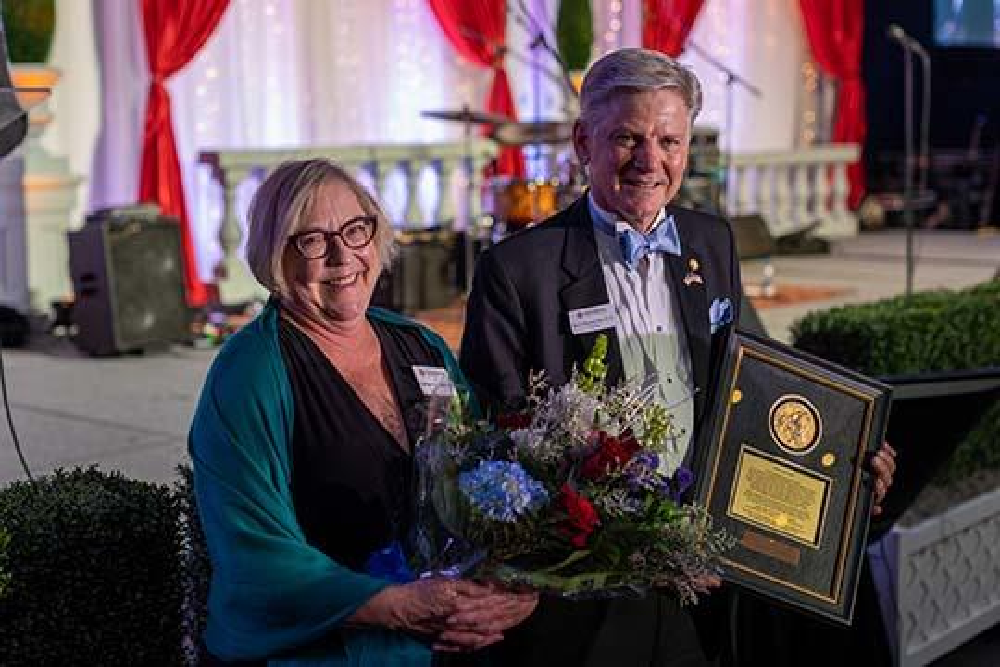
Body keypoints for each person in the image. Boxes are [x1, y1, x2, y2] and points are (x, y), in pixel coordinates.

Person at [460, 48, 896, 666]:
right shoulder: (516, 270)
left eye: (669, 140)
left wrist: (846, 457)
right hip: (593, 593)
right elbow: (505, 436)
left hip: (705, 582)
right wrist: (631, 541)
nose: (650, 161)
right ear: (584, 142)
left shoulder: (711, 241)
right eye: (628, 139)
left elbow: (757, 386)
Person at [190, 158, 537, 666]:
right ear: (274, 255)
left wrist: (510, 586)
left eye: (356, 230)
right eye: (312, 240)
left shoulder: (418, 344)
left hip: (446, 636)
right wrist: (397, 608)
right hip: (330, 649)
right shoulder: (250, 374)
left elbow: (489, 477)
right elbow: (253, 552)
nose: (342, 256)